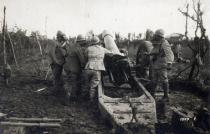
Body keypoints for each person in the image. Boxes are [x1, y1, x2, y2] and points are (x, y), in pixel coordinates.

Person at [83, 36, 111, 102]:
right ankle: (91, 100)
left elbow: (85, 56)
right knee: (93, 86)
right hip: (97, 69)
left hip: (88, 68)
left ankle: (83, 99)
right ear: (98, 42)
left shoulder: (88, 48)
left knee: (86, 84)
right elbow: (111, 53)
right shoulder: (102, 49)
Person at [150, 29, 174, 101]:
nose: (155, 37)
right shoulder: (159, 42)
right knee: (154, 79)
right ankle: (152, 94)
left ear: (159, 36)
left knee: (164, 80)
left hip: (162, 65)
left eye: (156, 35)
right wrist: (149, 54)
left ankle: (166, 96)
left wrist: (169, 63)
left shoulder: (165, 43)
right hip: (156, 64)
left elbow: (169, 54)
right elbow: (155, 50)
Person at [63, 34, 87, 102]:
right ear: (80, 41)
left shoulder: (70, 47)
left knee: (69, 83)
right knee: (74, 83)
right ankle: (72, 99)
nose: (84, 43)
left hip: (67, 68)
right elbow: (82, 60)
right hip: (74, 69)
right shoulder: (78, 48)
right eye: (83, 41)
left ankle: (67, 96)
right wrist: (84, 66)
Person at [46, 30, 67, 95]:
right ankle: (55, 91)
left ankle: (57, 89)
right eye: (61, 37)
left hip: (59, 63)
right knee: (56, 77)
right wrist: (56, 62)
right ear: (58, 37)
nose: (62, 38)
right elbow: (52, 54)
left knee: (58, 76)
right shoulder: (55, 43)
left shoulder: (61, 43)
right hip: (56, 63)